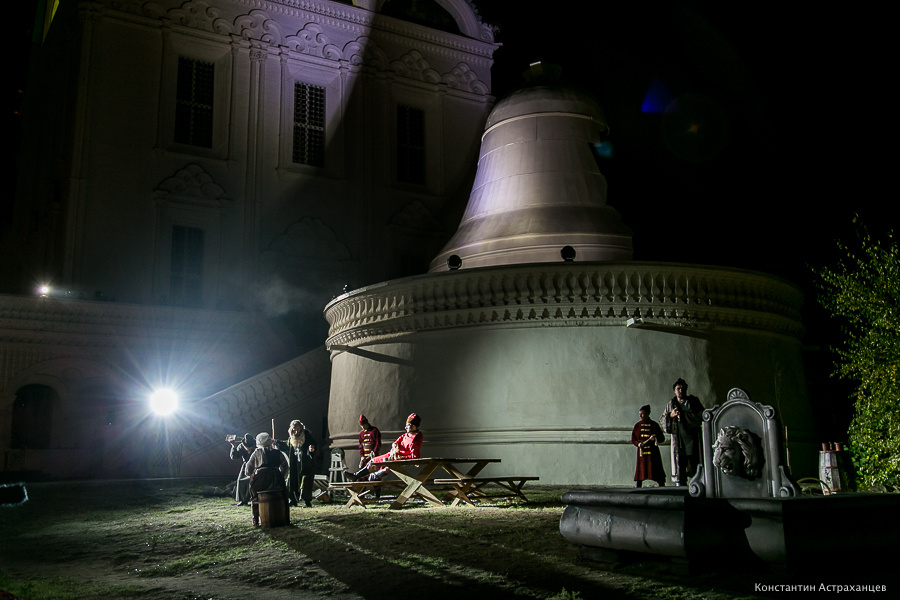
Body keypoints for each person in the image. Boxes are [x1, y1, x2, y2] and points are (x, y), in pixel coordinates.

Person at [350, 413, 423, 481]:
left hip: (397, 458)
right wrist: (394, 446)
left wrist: (401, 458)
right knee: (374, 461)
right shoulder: (408, 433)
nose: (405, 427)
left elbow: (414, 457)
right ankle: (356, 475)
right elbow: (400, 439)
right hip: (393, 454)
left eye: (408, 426)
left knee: (387, 466)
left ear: (414, 426)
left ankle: (375, 476)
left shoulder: (415, 439)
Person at [659, 378, 704, 486]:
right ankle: (681, 484)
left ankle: (696, 484)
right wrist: (671, 415)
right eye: (678, 389)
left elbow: (701, 416)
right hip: (679, 440)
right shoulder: (671, 404)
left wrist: (685, 415)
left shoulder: (693, 402)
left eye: (682, 389)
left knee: (694, 463)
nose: (680, 391)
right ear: (674, 391)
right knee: (680, 464)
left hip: (692, 438)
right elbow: (662, 419)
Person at [245, 432, 289, 527]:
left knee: (255, 495)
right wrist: (282, 475)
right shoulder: (277, 452)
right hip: (276, 477)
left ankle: (255, 518)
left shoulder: (256, 453)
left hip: (261, 477)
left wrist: (251, 474)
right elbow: (285, 465)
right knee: (283, 494)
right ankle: (285, 517)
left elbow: (248, 468)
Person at [276, 420, 317, 507]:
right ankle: (292, 500)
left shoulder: (307, 436)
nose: (296, 432)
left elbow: (313, 444)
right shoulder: (291, 438)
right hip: (295, 464)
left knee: (306, 482)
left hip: (305, 464)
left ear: (301, 428)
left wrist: (311, 448)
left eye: (298, 429)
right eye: (294, 430)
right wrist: (277, 442)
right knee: (292, 481)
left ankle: (307, 502)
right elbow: (286, 445)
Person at [631, 405, 666, 487]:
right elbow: (633, 439)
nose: (640, 416)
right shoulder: (637, 426)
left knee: (656, 469)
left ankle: (662, 486)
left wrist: (655, 438)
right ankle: (638, 486)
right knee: (641, 471)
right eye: (640, 414)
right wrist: (638, 444)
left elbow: (662, 438)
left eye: (642, 414)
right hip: (642, 453)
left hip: (653, 452)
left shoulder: (654, 425)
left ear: (647, 414)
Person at [227, 433, 255, 506]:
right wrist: (233, 446)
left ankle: (255, 498)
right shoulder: (241, 446)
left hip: (256, 465)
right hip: (246, 466)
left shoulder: (257, 446)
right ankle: (243, 500)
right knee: (241, 480)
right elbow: (234, 456)